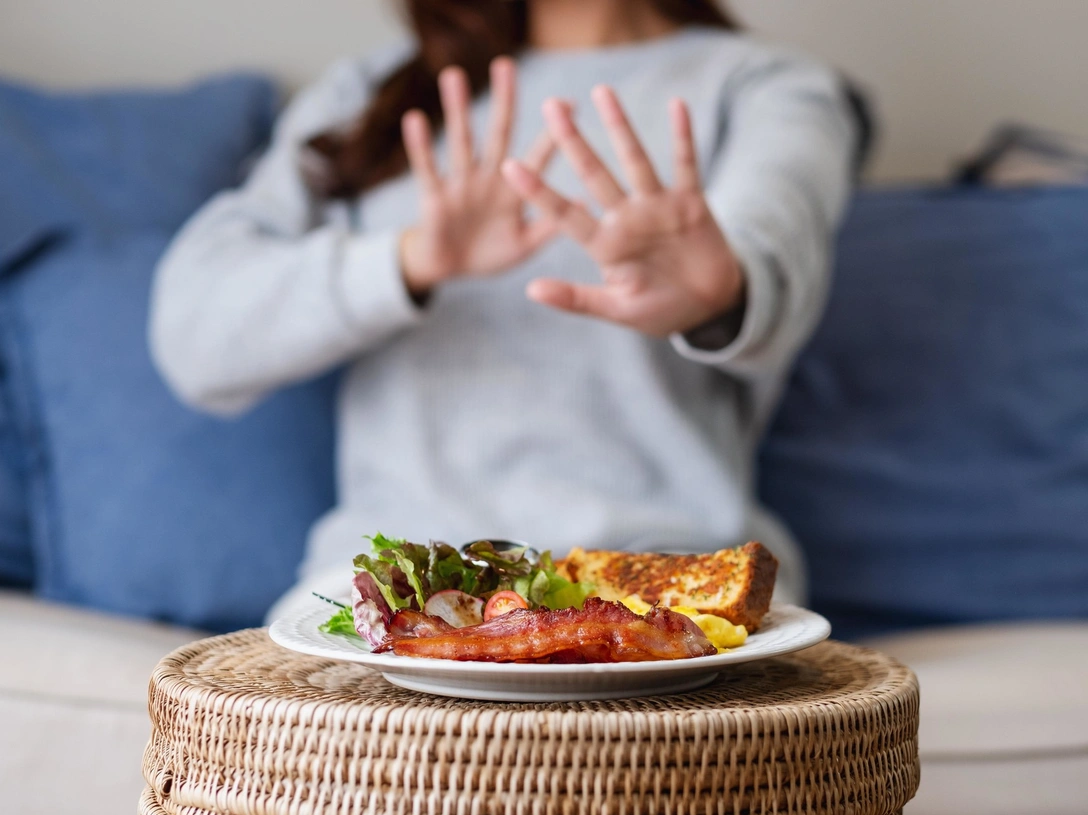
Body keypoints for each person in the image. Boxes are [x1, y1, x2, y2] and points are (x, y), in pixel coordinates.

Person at [149, 0, 860, 619]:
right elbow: (194, 336)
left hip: (675, 586)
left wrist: (718, 296)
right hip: (391, 587)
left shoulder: (766, 87)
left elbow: (776, 243)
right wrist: (406, 261)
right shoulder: (368, 95)